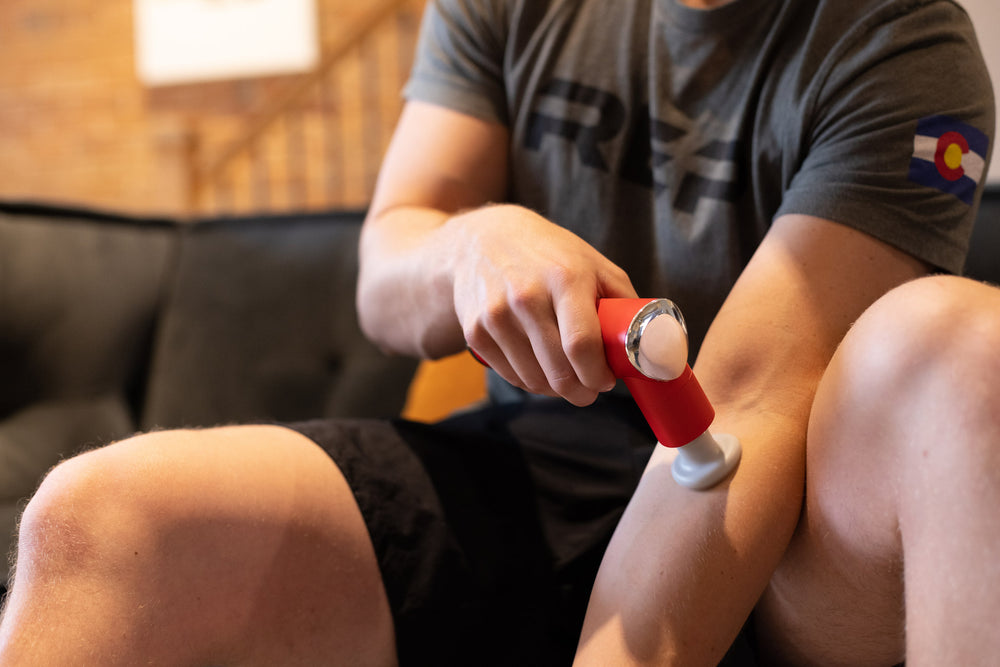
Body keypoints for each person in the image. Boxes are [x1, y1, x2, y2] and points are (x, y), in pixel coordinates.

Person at [0, 0, 996, 664]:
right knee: (92, 524)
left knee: (966, 349)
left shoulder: (899, 48)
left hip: (773, 519)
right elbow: (387, 271)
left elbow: (741, 412)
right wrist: (472, 246)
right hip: (531, 460)